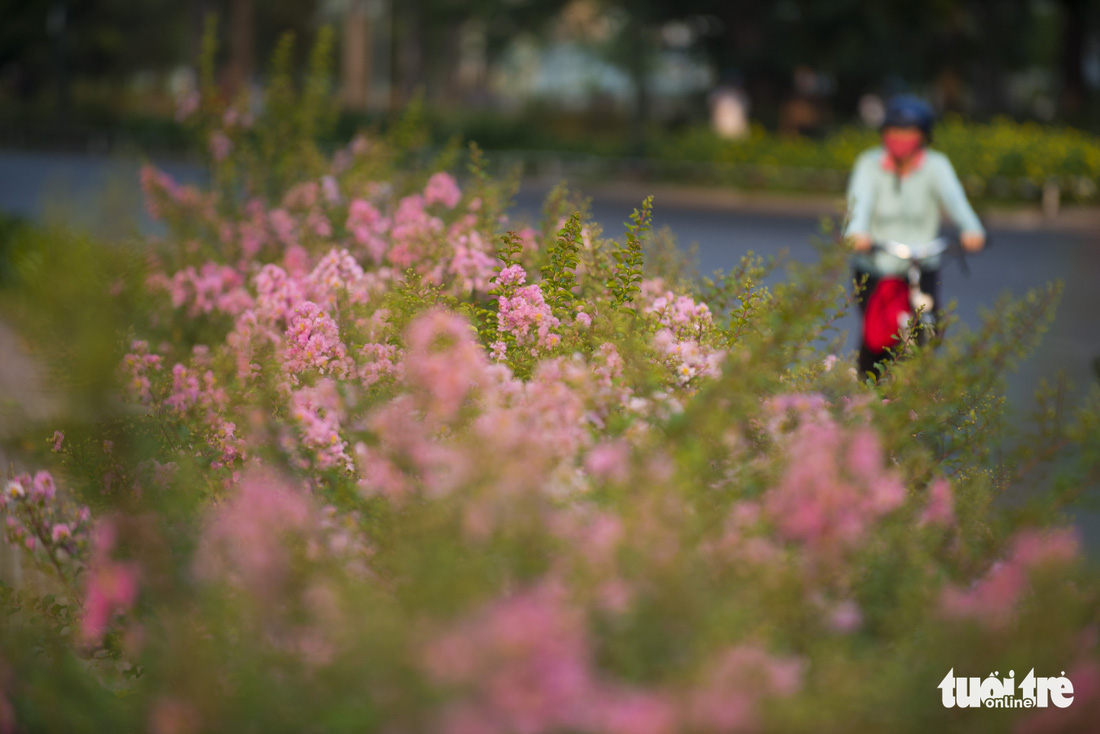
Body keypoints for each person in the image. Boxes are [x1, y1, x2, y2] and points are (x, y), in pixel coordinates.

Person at [844, 94, 986, 377]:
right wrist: (856, 233)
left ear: (923, 135)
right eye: (893, 130)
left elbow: (956, 201)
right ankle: (866, 396)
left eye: (908, 131)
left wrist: (972, 230)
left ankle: (916, 395)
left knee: (927, 333)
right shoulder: (869, 164)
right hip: (876, 266)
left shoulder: (936, 165)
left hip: (922, 266)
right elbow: (859, 203)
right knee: (877, 338)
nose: (900, 137)